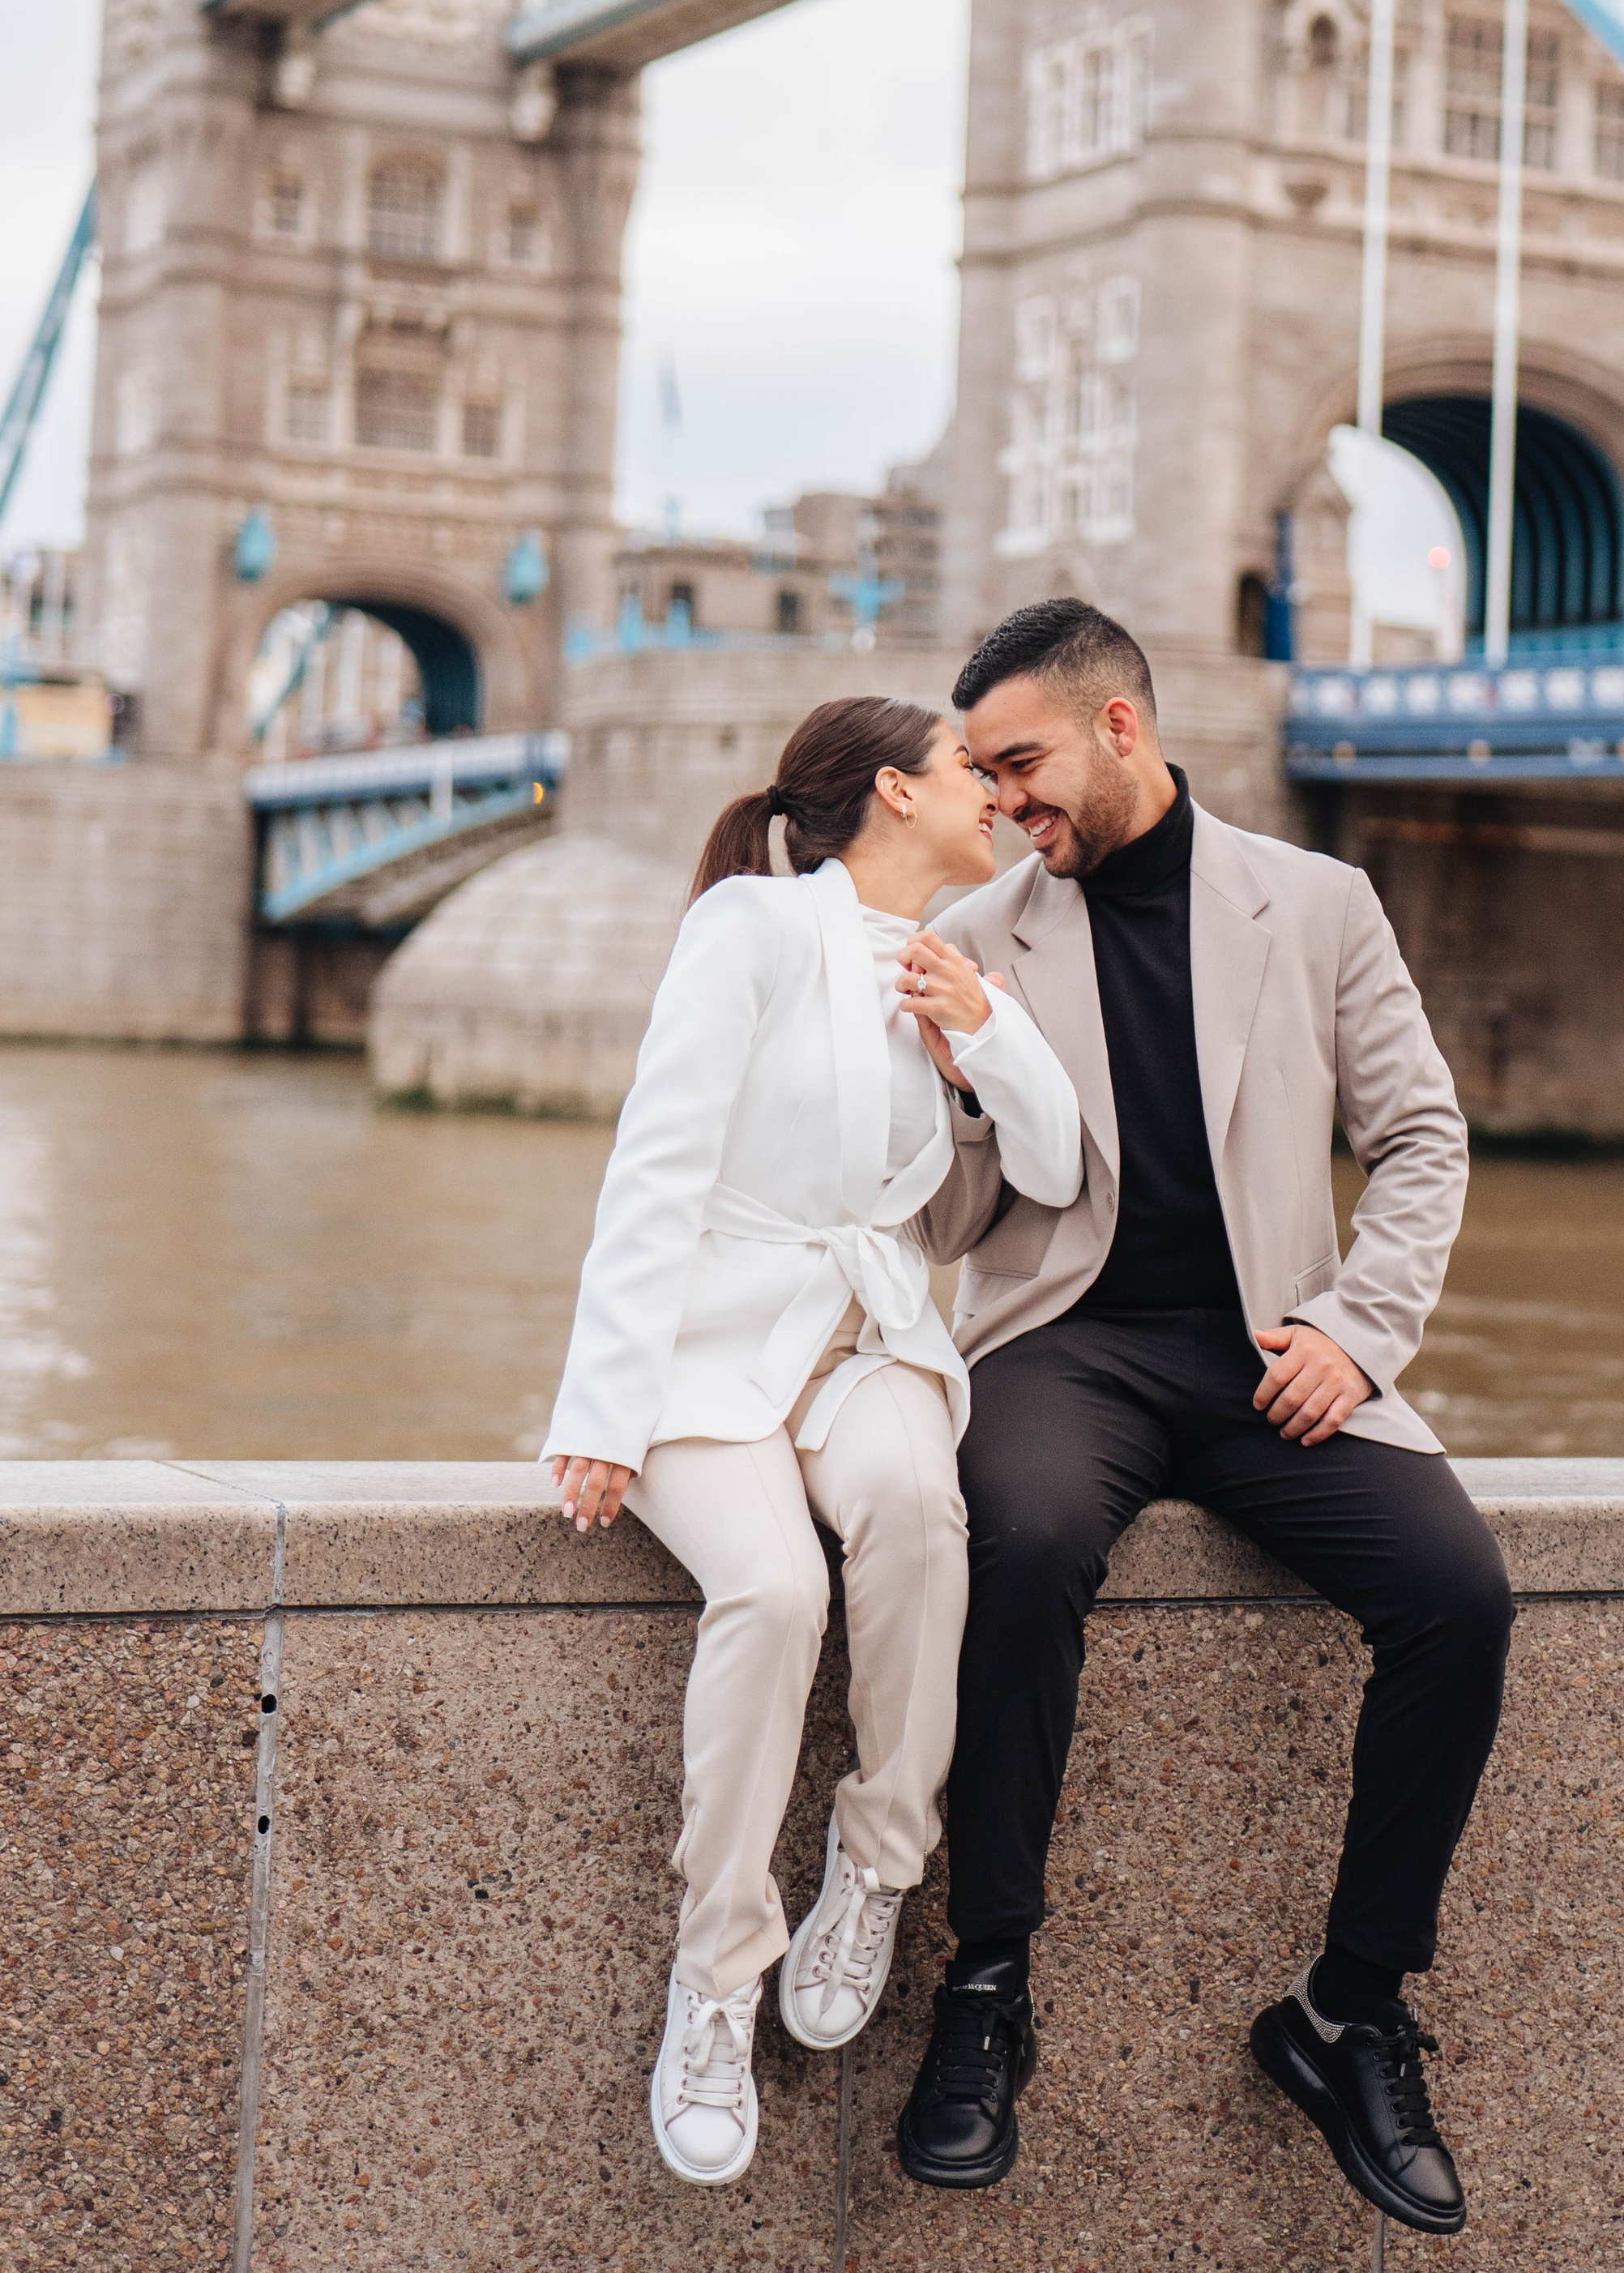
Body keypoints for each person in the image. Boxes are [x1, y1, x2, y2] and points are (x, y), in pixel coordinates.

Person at [891, 601, 1514, 2237]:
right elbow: (950, 1231)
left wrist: (1355, 1334)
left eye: (1021, 764)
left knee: (1456, 1599)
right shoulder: (978, 927)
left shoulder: (1312, 904)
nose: (1006, 802)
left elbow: (1422, 1139)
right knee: (1014, 1544)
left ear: (1118, 730)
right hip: (1061, 1345)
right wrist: (957, 1083)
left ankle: (1347, 2010)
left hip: (1267, 1353)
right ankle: (985, 1985)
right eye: (980, 774)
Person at [543, 695, 1082, 2191]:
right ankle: (714, 1977)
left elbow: (1048, 1166)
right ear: (895, 793)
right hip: (713, 1352)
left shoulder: (954, 969)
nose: (995, 791)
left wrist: (990, 1041)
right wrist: (601, 1406)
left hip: (871, 1341)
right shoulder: (753, 927)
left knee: (920, 1515)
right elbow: (658, 1160)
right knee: (775, 1593)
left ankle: (876, 1865)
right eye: (971, 770)